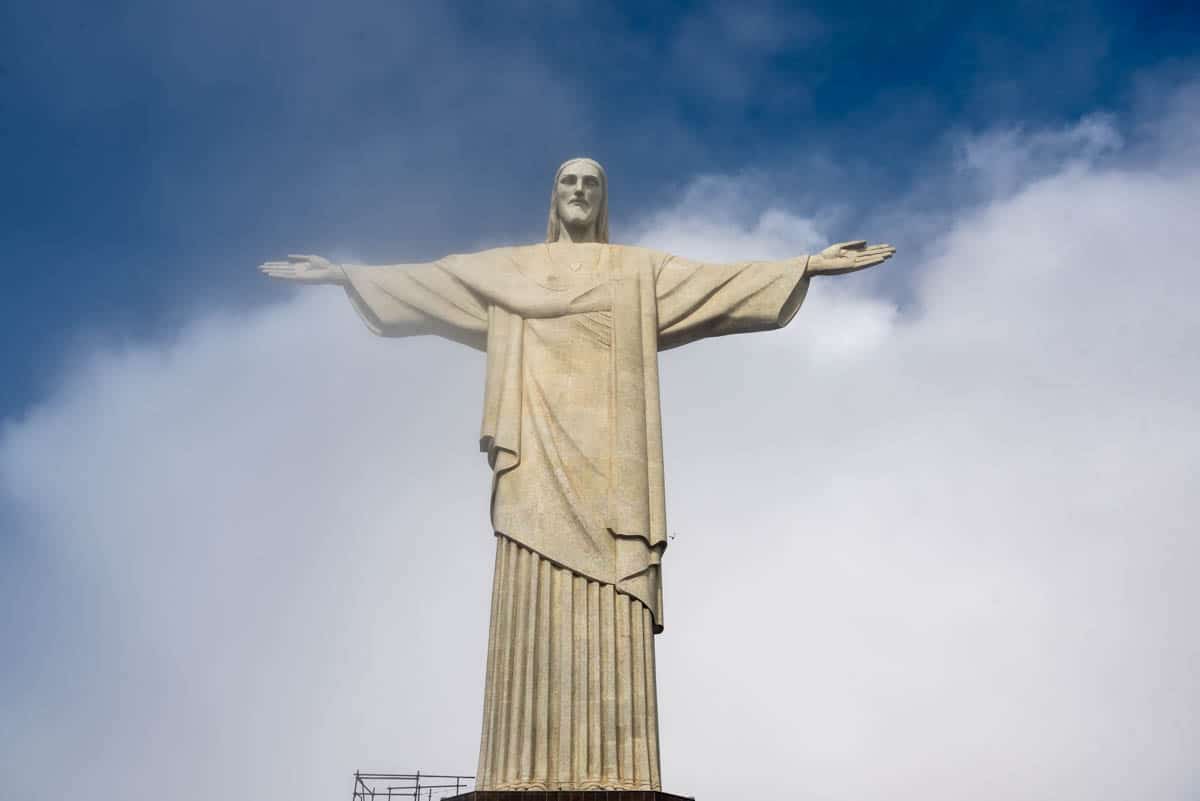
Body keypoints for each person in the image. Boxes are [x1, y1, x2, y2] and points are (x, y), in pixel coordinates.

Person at [260, 157, 894, 792]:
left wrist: (805, 264)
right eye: (569, 182)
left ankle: (619, 773)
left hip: (615, 467)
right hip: (533, 452)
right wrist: (347, 276)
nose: (580, 192)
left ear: (603, 199)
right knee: (529, 580)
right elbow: (433, 284)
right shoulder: (510, 270)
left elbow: (719, 286)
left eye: (592, 184)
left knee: (615, 590)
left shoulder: (637, 272)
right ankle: (518, 768)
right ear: (553, 196)